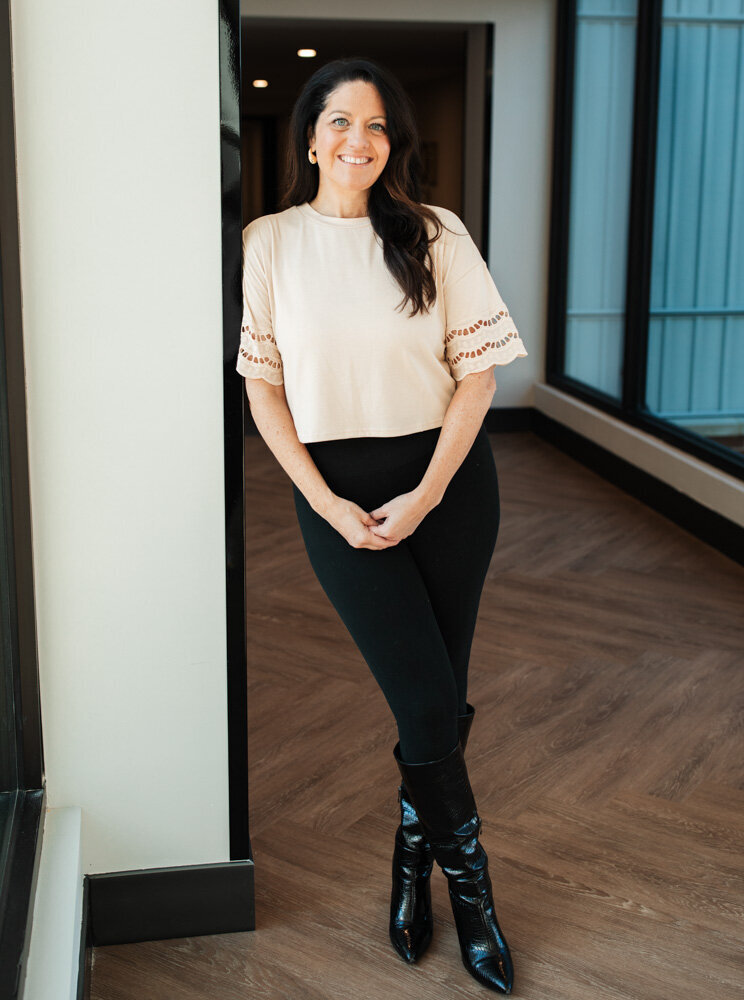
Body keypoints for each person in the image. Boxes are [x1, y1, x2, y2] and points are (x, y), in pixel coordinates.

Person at [236, 56, 527, 995]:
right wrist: (325, 503)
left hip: (446, 485)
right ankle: (472, 894)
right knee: (424, 694)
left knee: (434, 696)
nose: (357, 141)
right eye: (338, 122)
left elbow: (477, 378)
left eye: (376, 126)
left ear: (391, 144)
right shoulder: (269, 242)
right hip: (337, 491)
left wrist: (429, 494)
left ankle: (414, 868)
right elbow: (263, 386)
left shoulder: (436, 234)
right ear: (309, 137)